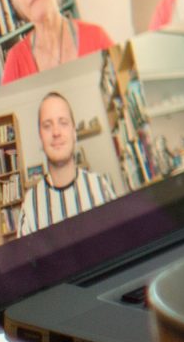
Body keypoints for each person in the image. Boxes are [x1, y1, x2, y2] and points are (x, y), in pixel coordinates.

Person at [16, 90, 118, 235]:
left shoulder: (100, 187)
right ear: (41, 137)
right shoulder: (31, 205)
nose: (56, 132)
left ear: (74, 133)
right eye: (47, 125)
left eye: (63, 123)